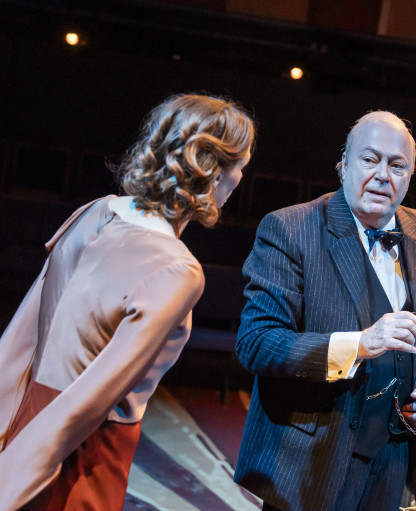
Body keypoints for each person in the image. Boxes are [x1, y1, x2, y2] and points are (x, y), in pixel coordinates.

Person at [0, 93, 255, 509]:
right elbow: (92, 400)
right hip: (81, 451)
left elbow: (18, 341)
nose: (241, 178)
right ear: (214, 172)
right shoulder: (178, 270)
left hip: (24, 418)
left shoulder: (96, 212)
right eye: (241, 166)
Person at [233, 111, 416, 511]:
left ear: (409, 176)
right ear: (344, 165)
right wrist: (362, 343)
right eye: (370, 160)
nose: (383, 175)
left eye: (397, 165)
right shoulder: (290, 229)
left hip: (393, 455)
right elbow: (257, 344)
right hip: (313, 458)